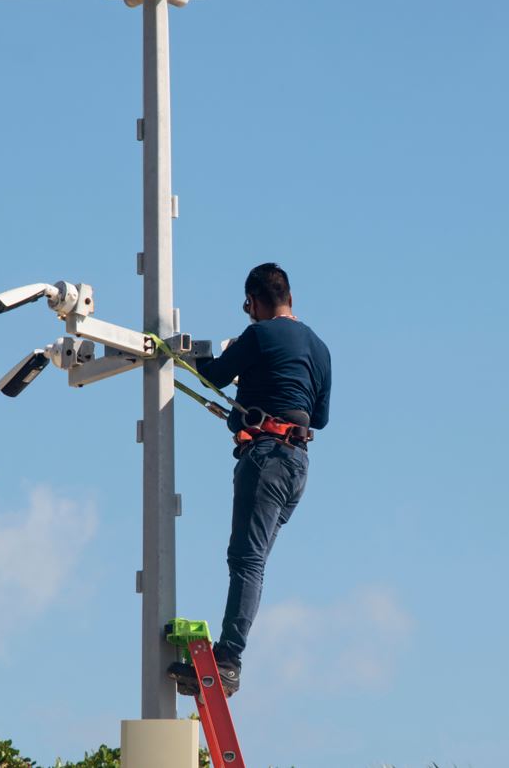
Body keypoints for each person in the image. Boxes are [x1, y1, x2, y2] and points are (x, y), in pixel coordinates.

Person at [168, 262, 331, 697]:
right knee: (254, 561)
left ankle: (229, 660)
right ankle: (229, 656)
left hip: (267, 457)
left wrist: (191, 354)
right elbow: (320, 417)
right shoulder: (319, 347)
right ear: (290, 297)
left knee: (246, 560)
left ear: (252, 302)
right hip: (298, 466)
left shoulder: (257, 336)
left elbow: (213, 376)